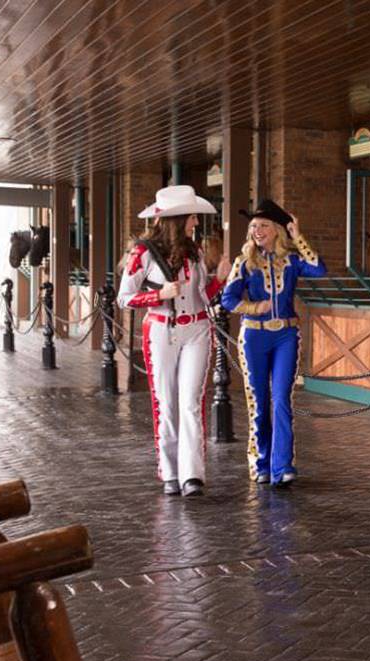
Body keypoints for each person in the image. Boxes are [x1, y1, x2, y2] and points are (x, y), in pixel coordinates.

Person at [117, 185, 230, 497]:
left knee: (191, 402)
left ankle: (192, 475)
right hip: (161, 330)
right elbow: (124, 298)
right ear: (177, 219)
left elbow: (201, 297)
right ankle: (170, 472)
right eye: (192, 216)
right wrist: (159, 295)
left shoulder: (193, 251)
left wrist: (219, 278)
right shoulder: (141, 253)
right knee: (166, 402)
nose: (196, 221)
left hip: (197, 329)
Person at [221, 199, 327, 488]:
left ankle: (283, 466)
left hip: (286, 337)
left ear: (277, 229)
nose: (257, 230)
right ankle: (261, 463)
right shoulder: (244, 262)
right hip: (254, 336)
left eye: (264, 225)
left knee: (281, 399)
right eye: (254, 226)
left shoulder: (292, 260)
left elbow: (319, 270)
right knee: (259, 403)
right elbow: (227, 300)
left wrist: (298, 236)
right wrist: (255, 307)